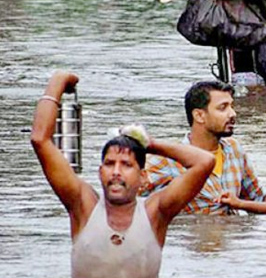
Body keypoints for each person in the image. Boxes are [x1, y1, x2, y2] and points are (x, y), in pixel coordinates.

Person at [29, 71, 215, 278]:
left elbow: (205, 162)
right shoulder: (83, 206)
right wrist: (58, 80)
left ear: (143, 177)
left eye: (126, 165)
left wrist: (151, 144)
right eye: (109, 164)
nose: (116, 172)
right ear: (100, 172)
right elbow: (40, 140)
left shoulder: (156, 213)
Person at [142, 81, 266, 214]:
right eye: (223, 107)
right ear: (199, 116)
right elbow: (132, 203)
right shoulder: (168, 160)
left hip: (232, 234)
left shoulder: (234, 150)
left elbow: (258, 197)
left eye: (231, 106)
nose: (232, 114)